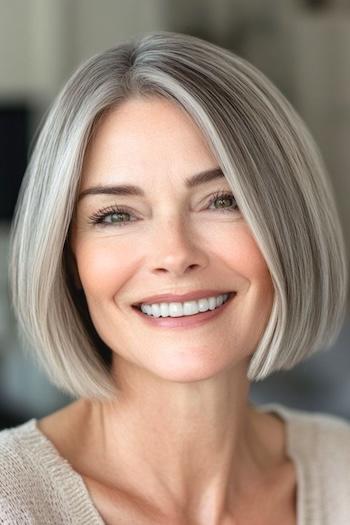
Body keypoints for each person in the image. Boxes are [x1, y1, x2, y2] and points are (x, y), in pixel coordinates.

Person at [0, 30, 349, 525]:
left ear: (286, 227)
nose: (175, 254)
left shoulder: (342, 472)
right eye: (117, 215)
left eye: (221, 201)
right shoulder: (10, 501)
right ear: (68, 258)